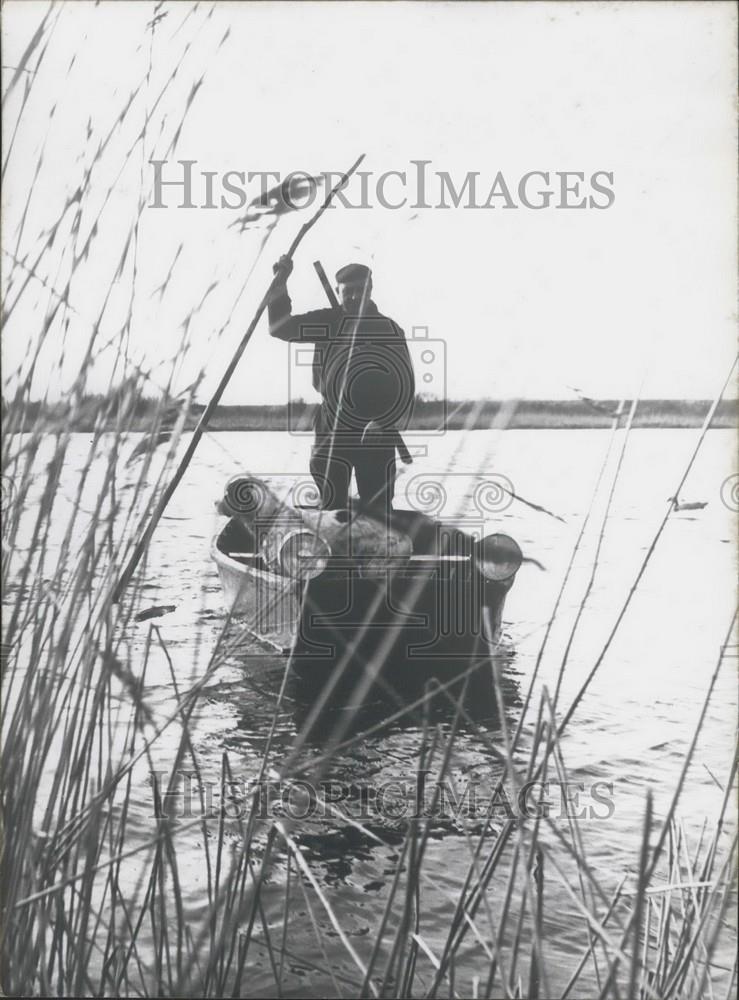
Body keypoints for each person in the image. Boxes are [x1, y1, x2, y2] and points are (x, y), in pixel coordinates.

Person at [268, 257, 415, 512]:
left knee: (378, 507)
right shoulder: (326, 322)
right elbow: (279, 327)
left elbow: (406, 385)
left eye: (361, 290)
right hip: (331, 423)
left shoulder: (389, 330)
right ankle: (333, 548)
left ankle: (379, 549)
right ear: (338, 292)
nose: (355, 297)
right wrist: (281, 282)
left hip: (375, 429)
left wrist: (382, 421)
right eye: (349, 292)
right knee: (331, 504)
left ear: (370, 290)